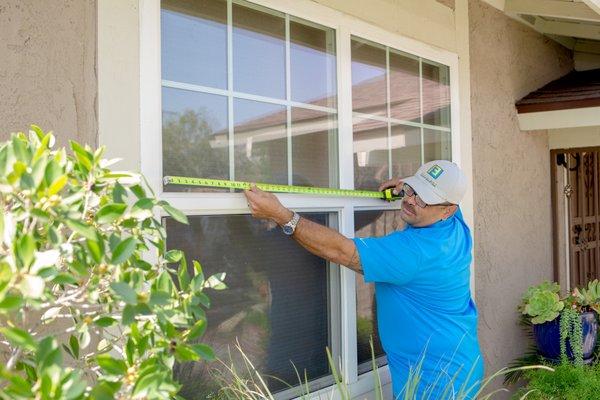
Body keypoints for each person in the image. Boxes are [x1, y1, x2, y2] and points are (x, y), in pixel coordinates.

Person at [244, 160, 483, 399]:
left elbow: (341, 252)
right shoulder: (455, 227)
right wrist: (411, 186)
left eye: (423, 198)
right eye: (413, 190)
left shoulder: (415, 252)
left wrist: (282, 215)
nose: (410, 200)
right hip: (459, 362)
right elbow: (429, 195)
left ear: (447, 209)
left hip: (436, 381)